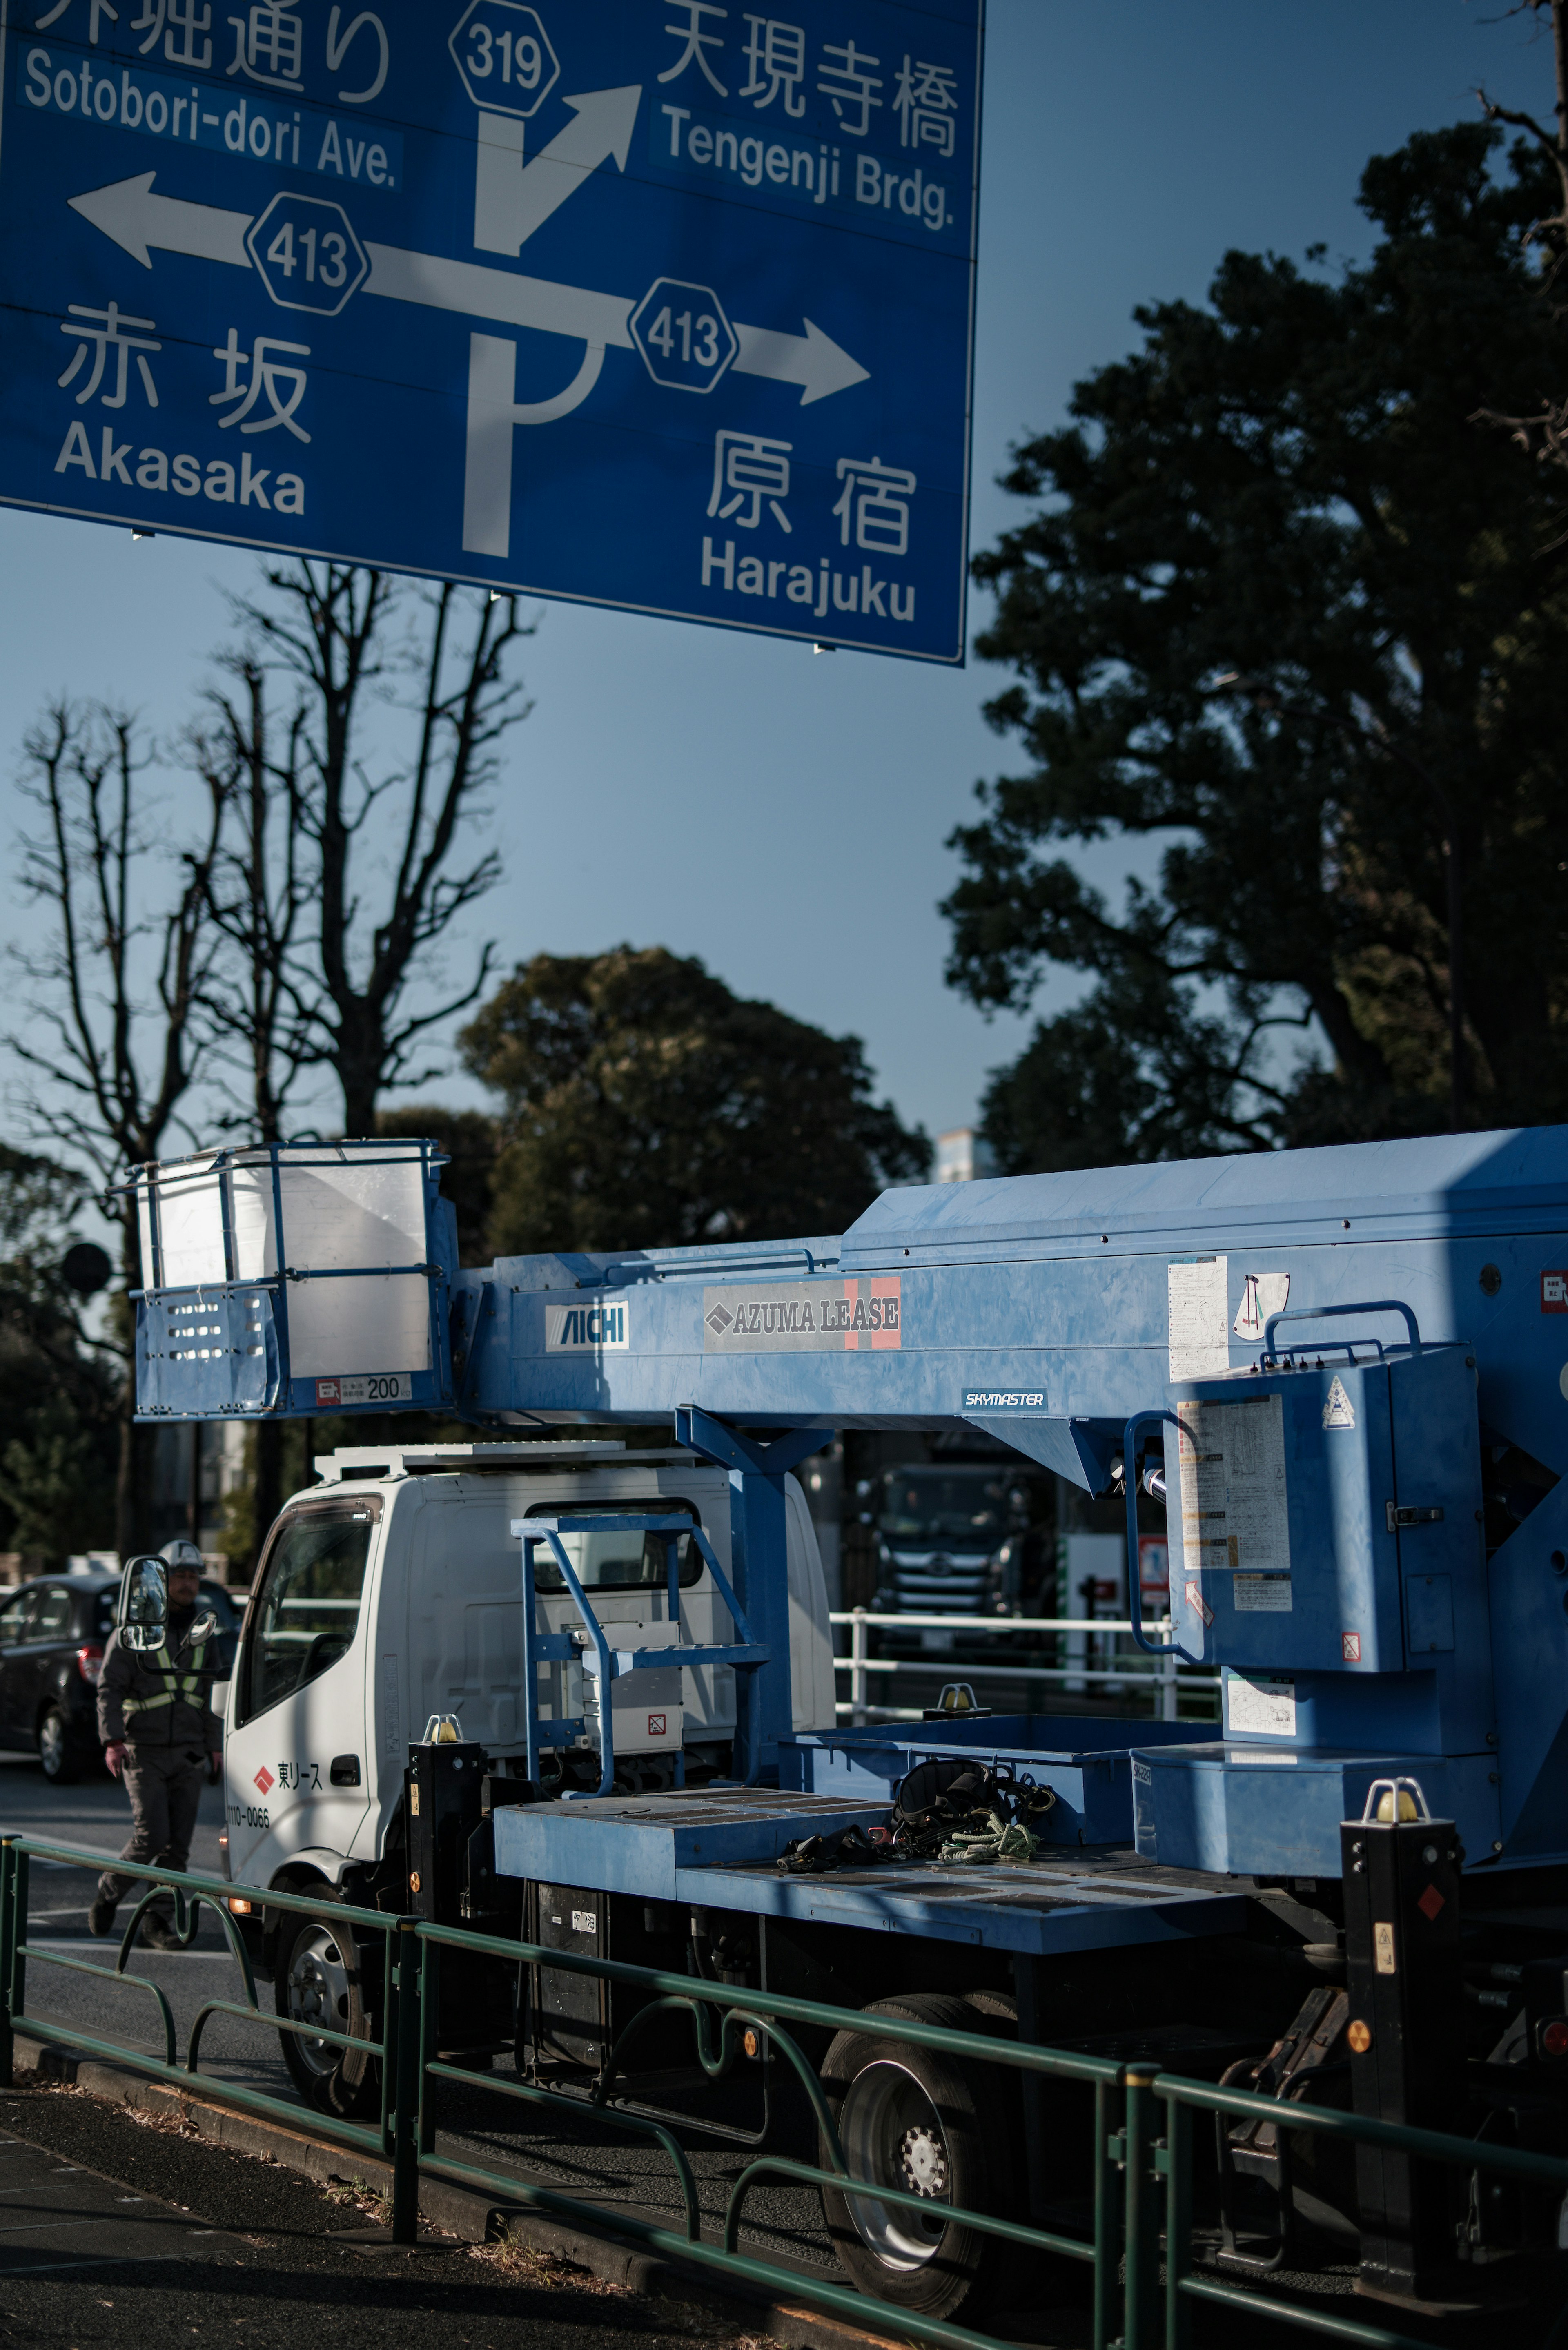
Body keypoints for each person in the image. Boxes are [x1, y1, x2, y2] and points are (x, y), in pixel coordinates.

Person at [89, 1540, 223, 1951]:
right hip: (142, 1750)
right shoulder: (136, 1631)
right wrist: (112, 1740)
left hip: (188, 1752)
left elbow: (212, 1691)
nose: (187, 1583)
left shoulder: (204, 1630)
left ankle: (157, 1922)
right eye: (179, 1576)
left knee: (177, 1849)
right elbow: (109, 1689)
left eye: (192, 1576)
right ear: (162, 1581)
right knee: (151, 1836)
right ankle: (109, 1892)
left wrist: (215, 1747)